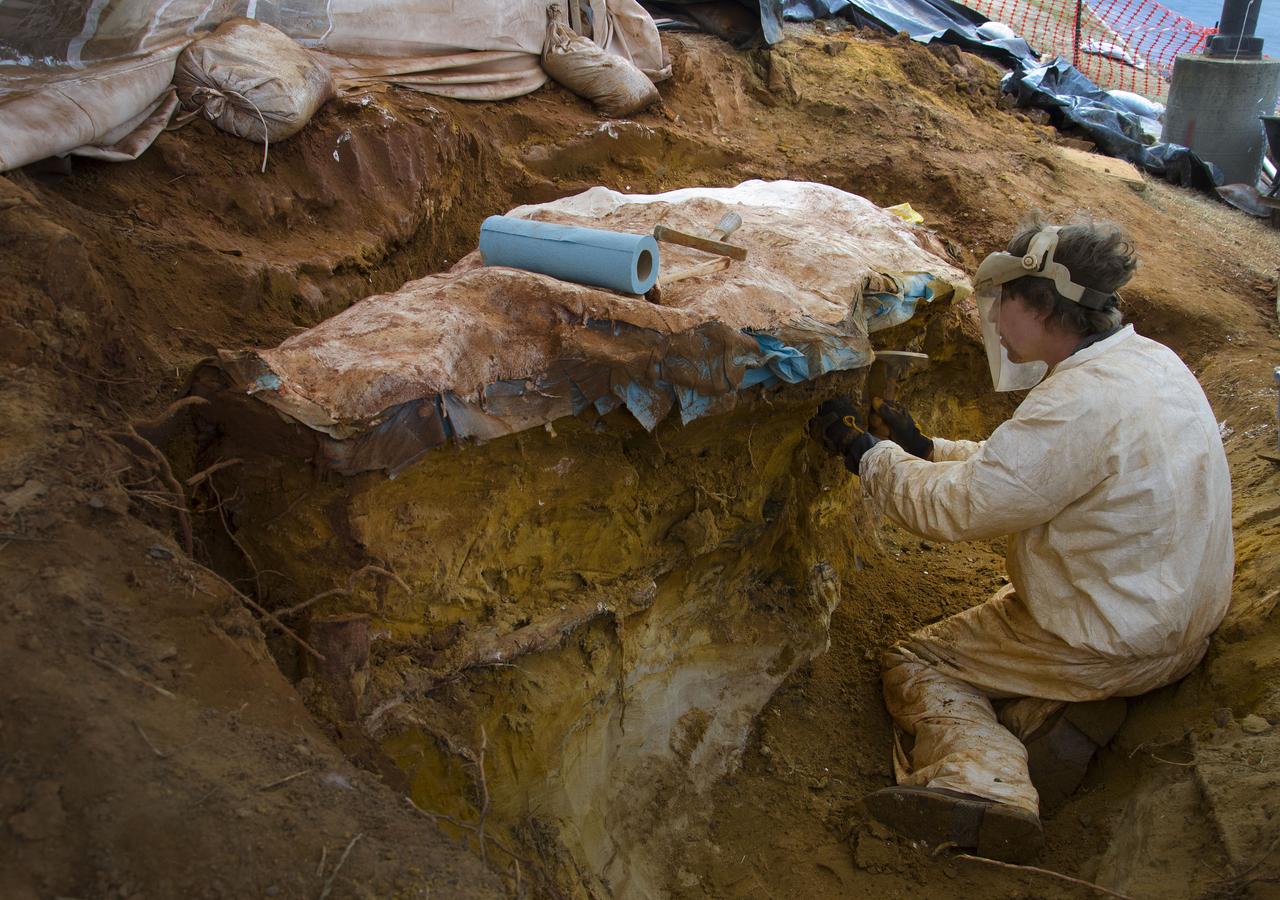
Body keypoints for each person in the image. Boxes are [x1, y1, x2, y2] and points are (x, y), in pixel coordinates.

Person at [810, 218, 1233, 862]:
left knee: (916, 661)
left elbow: (954, 510)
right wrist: (925, 448)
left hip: (1111, 637)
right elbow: (1029, 470)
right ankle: (1051, 716)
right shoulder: (1148, 364)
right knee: (1016, 619)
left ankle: (985, 783)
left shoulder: (1077, 403)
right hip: (1176, 619)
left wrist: (865, 454)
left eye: (1003, 299)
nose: (997, 317)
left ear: (1037, 304)